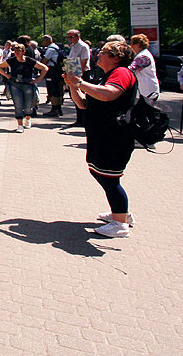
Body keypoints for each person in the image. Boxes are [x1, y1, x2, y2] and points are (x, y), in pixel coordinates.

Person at [63, 41, 138, 238]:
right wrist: (73, 85)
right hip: (103, 135)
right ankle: (120, 213)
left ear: (116, 57)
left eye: (103, 53)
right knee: (100, 173)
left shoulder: (121, 73)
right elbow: (83, 104)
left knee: (110, 178)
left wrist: (80, 82)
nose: (98, 55)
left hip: (115, 136)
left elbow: (109, 95)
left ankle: (120, 223)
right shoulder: (107, 75)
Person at [0, 42, 48, 133]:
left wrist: (38, 80)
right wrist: (7, 75)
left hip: (27, 84)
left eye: (19, 51)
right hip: (15, 84)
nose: (17, 52)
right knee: (18, 104)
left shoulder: (29, 61)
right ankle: (20, 125)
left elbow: (45, 68)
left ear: (23, 51)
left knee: (28, 105)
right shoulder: (11, 60)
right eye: (15, 51)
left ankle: (28, 117)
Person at [65, 29, 91, 128]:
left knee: (82, 97)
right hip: (73, 72)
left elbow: (84, 61)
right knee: (74, 96)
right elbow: (70, 60)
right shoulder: (73, 47)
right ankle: (79, 119)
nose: (69, 39)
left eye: (71, 37)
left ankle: (84, 120)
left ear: (78, 36)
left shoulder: (83, 46)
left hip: (81, 74)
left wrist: (79, 76)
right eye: (68, 37)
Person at [128, 34, 160, 102]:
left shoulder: (143, 56)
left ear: (137, 45)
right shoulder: (142, 54)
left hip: (148, 90)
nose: (130, 46)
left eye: (131, 43)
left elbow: (131, 69)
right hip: (145, 90)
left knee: (145, 111)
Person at [41, 35, 64, 117]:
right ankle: (58, 108)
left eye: (43, 41)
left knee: (52, 90)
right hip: (58, 70)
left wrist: (41, 70)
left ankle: (54, 109)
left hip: (52, 70)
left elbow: (45, 60)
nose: (42, 43)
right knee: (58, 90)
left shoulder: (50, 49)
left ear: (47, 41)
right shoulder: (57, 47)